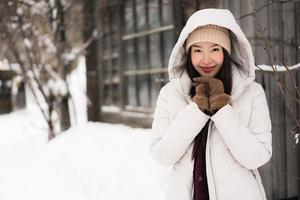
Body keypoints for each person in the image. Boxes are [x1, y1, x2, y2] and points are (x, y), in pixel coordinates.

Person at [149, 8, 272, 200]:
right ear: (188, 53)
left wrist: (222, 109)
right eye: (198, 50)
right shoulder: (170, 94)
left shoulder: (251, 93)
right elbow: (162, 155)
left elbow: (258, 156)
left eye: (215, 49)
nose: (206, 59)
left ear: (226, 51)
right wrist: (197, 110)